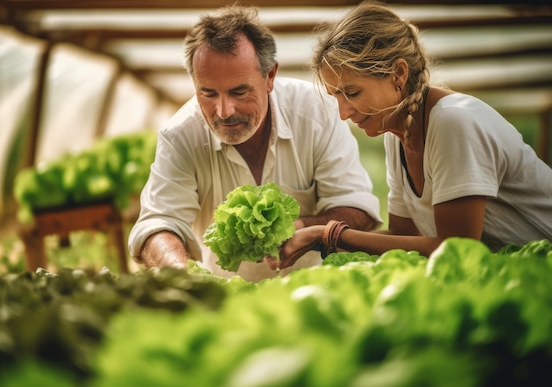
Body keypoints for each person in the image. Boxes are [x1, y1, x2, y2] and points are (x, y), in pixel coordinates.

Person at [273, 1, 552, 269]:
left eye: (352, 93)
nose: (343, 113)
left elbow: (457, 248)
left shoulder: (452, 121)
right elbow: (402, 239)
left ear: (398, 74)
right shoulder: (396, 136)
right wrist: (315, 238)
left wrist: (328, 235)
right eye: (336, 96)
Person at [128, 5, 382, 282]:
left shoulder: (316, 111)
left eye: (239, 91)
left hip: (313, 291)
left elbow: (357, 208)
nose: (224, 111)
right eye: (208, 93)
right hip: (224, 297)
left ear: (270, 76)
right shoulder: (180, 135)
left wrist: (300, 227)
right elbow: (158, 223)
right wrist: (179, 271)